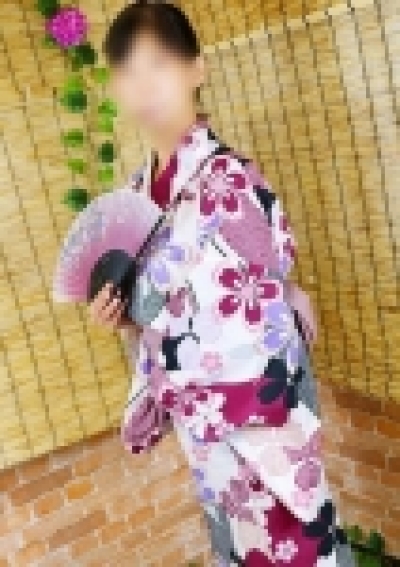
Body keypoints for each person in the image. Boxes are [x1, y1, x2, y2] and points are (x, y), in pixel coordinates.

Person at [89, 2, 356, 565]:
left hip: (257, 409)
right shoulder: (136, 196)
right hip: (204, 422)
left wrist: (163, 322)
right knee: (232, 541)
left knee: (294, 541)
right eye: (127, 71)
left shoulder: (228, 178)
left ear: (196, 69)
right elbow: (155, 309)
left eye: (159, 63)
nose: (143, 85)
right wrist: (123, 313)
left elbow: (262, 289)